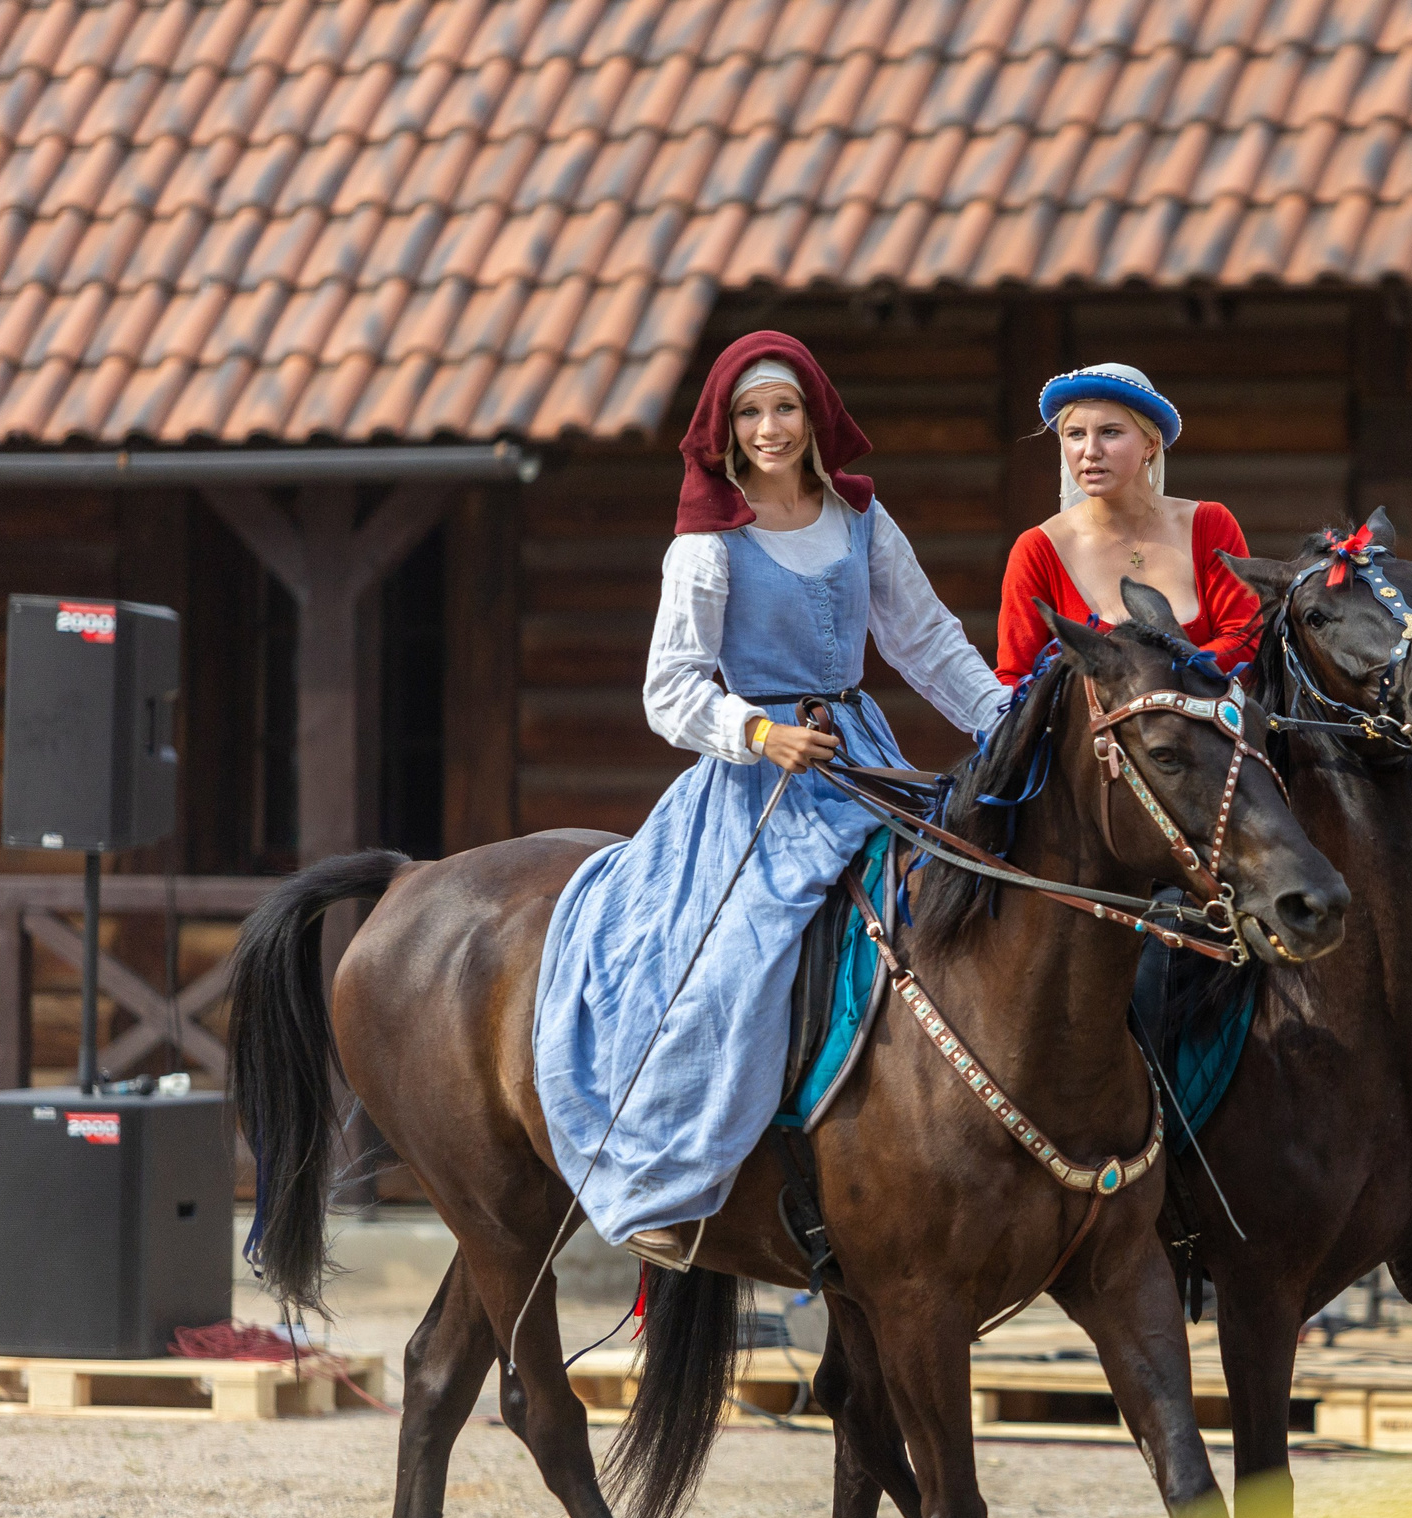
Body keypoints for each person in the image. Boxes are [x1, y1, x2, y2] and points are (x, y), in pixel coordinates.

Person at [533, 332, 1008, 1270]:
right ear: (726, 434)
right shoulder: (708, 544)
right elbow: (667, 690)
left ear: (814, 415)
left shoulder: (863, 516)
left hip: (864, 760)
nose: (769, 427)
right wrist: (757, 731)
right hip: (758, 783)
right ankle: (666, 1188)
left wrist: (1009, 723)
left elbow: (929, 644)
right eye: (750, 414)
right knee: (731, 963)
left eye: (784, 408)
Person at [995, 363, 1260, 685]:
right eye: (1075, 434)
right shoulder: (1038, 549)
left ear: (1150, 444)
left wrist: (1158, 680)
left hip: (1205, 728)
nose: (1090, 452)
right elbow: (1015, 676)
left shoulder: (1209, 524)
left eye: (1110, 432)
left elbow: (1245, 642)